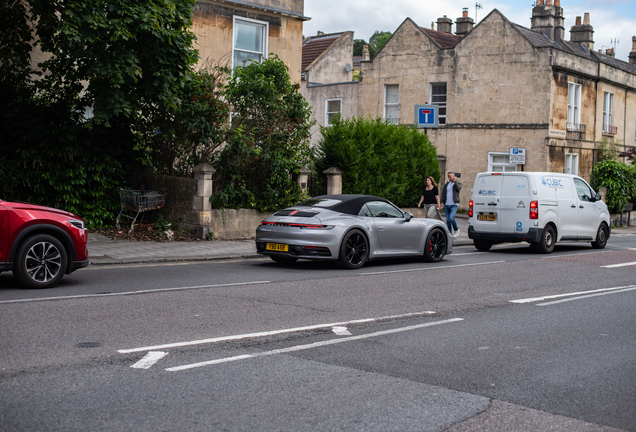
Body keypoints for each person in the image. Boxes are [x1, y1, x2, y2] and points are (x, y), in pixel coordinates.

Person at [440, 171, 462, 238]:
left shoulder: (458, 183)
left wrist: (455, 181)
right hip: (447, 204)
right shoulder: (447, 184)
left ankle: (456, 229)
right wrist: (441, 202)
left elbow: (458, 188)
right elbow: (443, 193)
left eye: (450, 177)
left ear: (454, 176)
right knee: (448, 220)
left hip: (454, 205)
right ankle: (449, 234)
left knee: (451, 218)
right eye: (448, 177)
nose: (449, 178)